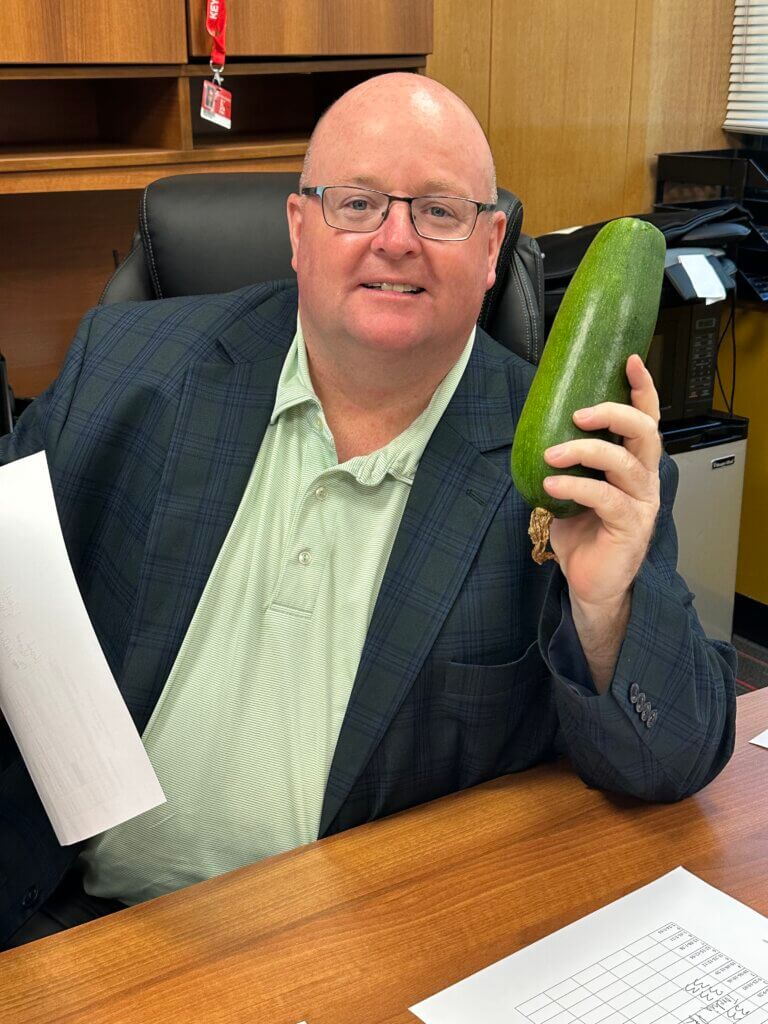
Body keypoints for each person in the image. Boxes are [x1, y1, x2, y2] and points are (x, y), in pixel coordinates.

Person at [0, 73, 736, 950]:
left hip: (358, 954)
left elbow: (673, 759)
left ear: (493, 243)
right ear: (299, 229)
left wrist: (606, 607)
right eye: (355, 203)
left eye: (439, 210)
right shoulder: (124, 367)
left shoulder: (574, 460)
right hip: (75, 929)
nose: (396, 240)